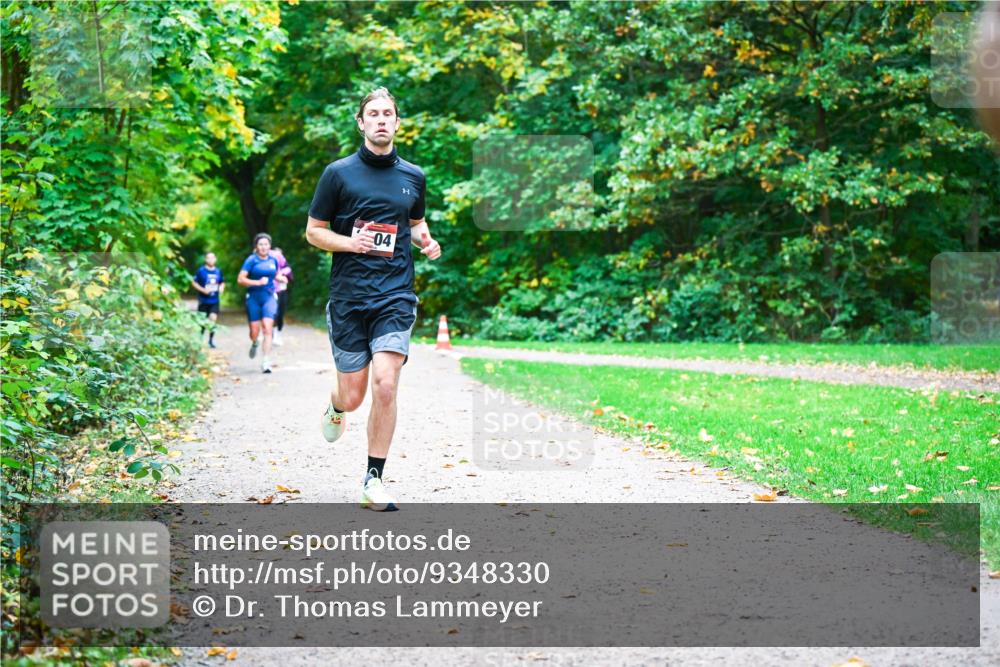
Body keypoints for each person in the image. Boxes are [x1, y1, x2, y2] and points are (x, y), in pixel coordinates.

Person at [305, 86, 441, 511]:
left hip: (395, 295)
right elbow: (313, 232)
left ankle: (373, 479)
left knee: (385, 384)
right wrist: (351, 243)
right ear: (361, 123)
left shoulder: (413, 177)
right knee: (354, 396)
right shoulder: (338, 174)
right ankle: (335, 403)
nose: (381, 120)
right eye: (373, 114)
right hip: (348, 297)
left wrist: (426, 240)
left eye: (388, 114)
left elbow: (415, 222)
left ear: (397, 123)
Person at [237, 233, 280, 373]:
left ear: (269, 246)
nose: (263, 247)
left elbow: (276, 275)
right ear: (256, 246)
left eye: (266, 244)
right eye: (261, 244)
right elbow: (240, 279)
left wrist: (282, 278)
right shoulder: (251, 260)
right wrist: (257, 282)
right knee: (254, 331)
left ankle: (266, 361)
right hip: (254, 297)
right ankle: (255, 342)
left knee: (268, 328)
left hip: (269, 297)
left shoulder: (274, 260)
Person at [192, 252, 224, 348]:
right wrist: (203, 290)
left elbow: (222, 282)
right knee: (202, 322)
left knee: (213, 319)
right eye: (209, 258)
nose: (211, 260)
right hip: (203, 300)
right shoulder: (201, 271)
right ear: (206, 260)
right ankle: (200, 340)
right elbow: (194, 283)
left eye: (213, 258)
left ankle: (210, 341)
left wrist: (221, 288)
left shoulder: (218, 271)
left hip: (214, 300)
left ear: (215, 259)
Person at [272, 247, 293, 346]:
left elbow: (291, 277)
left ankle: (278, 333)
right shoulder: (268, 264)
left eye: (279, 255)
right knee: (273, 313)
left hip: (282, 291)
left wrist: (283, 275)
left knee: (280, 313)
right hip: (271, 291)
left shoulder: (285, 267)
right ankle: (272, 334)